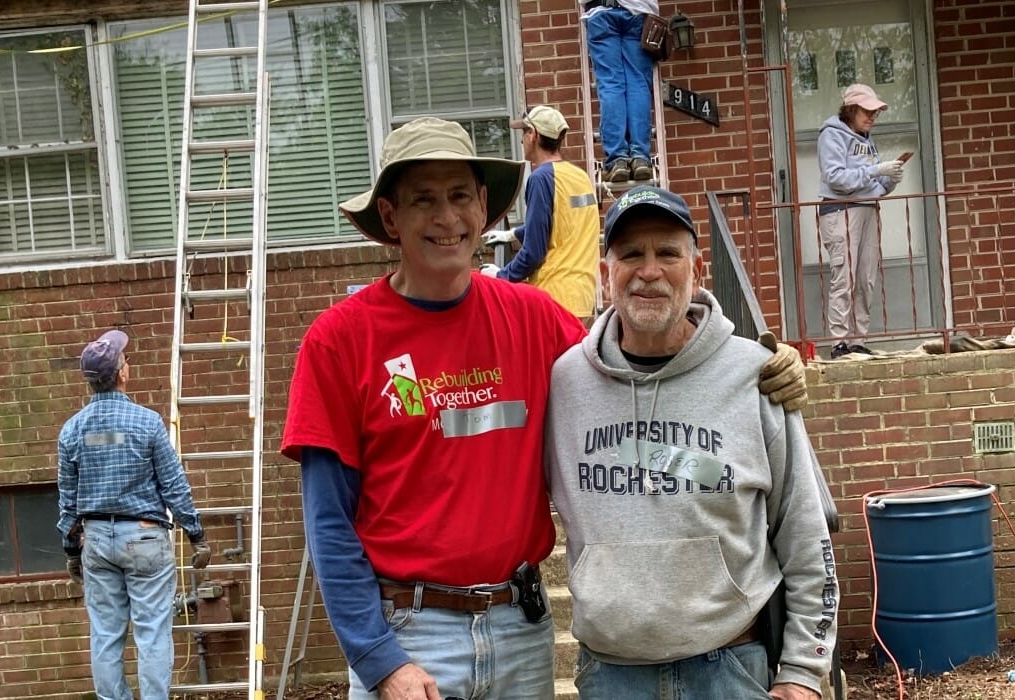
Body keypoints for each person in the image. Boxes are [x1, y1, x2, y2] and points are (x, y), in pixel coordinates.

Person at [280, 118, 809, 700]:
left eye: (460, 196)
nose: (446, 218)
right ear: (389, 218)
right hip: (411, 636)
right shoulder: (338, 342)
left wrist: (753, 358)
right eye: (423, 200)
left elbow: (635, 350)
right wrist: (380, 661)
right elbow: (328, 522)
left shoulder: (534, 320)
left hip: (519, 630)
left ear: (484, 207)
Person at [545, 185, 837, 700]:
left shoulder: (754, 375)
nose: (649, 270)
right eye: (631, 254)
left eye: (667, 254)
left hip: (732, 669)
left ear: (696, 270)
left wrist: (803, 672)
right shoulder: (565, 384)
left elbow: (807, 535)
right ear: (604, 272)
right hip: (612, 679)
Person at [57, 329, 211, 700]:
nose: (128, 364)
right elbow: (174, 484)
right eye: (126, 360)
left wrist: (70, 549)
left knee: (106, 635)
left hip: (95, 539)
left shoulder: (72, 431)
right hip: (144, 537)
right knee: (152, 633)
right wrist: (195, 533)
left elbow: (67, 500)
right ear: (121, 374)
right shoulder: (147, 423)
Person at [479, 105, 601, 322]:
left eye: (524, 133)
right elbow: (562, 225)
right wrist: (513, 234)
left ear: (533, 135)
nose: (521, 140)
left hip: (554, 298)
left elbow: (534, 252)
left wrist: (500, 276)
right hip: (582, 296)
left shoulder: (540, 179)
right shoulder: (579, 176)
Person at [816, 83, 904, 360]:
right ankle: (839, 342)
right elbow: (836, 178)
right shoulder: (831, 135)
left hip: (868, 210)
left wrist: (890, 179)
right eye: (867, 111)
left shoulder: (867, 140)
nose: (872, 117)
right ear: (851, 110)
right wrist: (876, 170)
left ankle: (858, 339)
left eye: (875, 113)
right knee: (845, 278)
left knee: (866, 278)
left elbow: (873, 184)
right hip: (840, 211)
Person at [581, 0, 657, 183]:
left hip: (602, 12)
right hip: (638, 11)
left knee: (611, 84)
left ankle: (618, 159)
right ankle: (639, 158)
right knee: (638, 83)